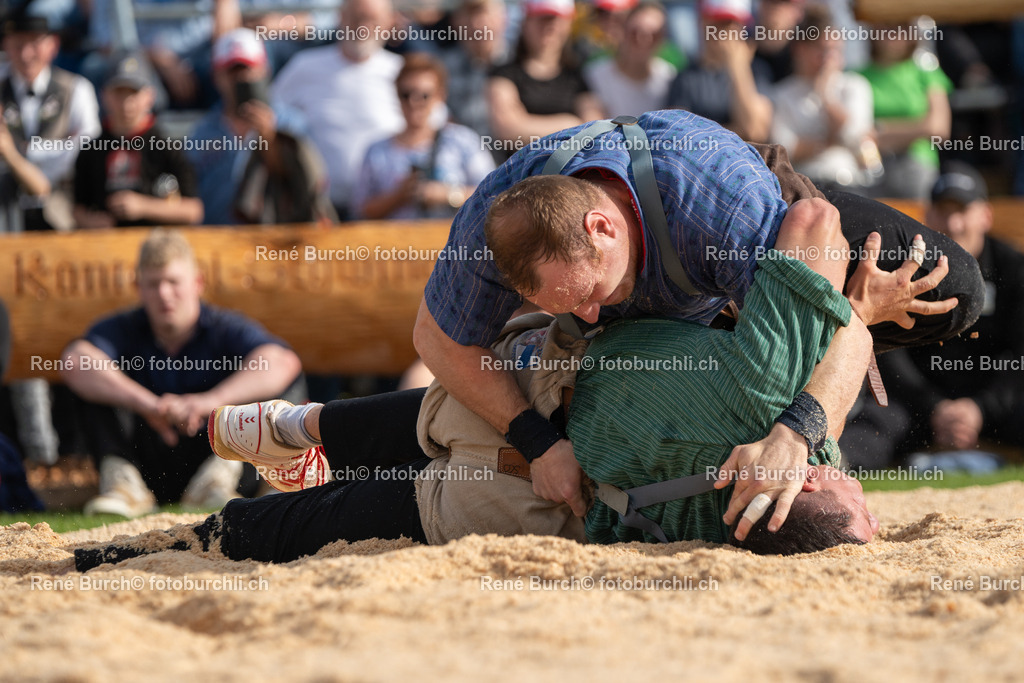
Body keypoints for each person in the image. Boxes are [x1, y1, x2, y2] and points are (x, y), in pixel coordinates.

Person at [74, 212, 896, 570]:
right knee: (344, 502)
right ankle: (197, 523)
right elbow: (842, 348)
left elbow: (812, 223)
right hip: (551, 481)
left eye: (858, 502)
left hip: (540, 434)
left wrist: (852, 312)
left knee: (388, 446)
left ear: (812, 479)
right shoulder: (738, 531)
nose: (874, 506)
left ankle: (276, 443)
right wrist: (841, 336)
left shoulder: (780, 388)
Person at [411, 108, 983, 540]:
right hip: (641, 351)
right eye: (564, 305)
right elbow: (436, 340)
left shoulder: (719, 205)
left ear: (602, 230)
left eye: (589, 294)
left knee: (955, 292)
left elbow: (816, 233)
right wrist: (538, 445)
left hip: (741, 242)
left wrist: (799, 428)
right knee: (767, 400)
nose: (586, 316)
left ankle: (755, 356)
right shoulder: (494, 226)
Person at [60, 229, 303, 517]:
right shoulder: (122, 328)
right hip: (147, 458)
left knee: (271, 387)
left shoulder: (224, 327)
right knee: (93, 384)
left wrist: (207, 402)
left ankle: (217, 483)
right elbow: (74, 361)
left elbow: (283, 362)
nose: (164, 294)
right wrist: (149, 406)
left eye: (173, 282)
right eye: (153, 284)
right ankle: (124, 487)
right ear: (138, 287)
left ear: (197, 283)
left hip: (220, 455)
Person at [841, 163, 1024, 467]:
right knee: (872, 427)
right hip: (920, 406)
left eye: (962, 210)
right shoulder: (906, 267)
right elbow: (888, 350)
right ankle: (826, 473)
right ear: (927, 216)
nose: (952, 224)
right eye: (942, 211)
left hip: (998, 405)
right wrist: (934, 408)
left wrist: (980, 410)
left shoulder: (1015, 269)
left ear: (985, 216)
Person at [269, 0, 405, 220]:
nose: (363, 27)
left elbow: (430, 130)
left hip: (387, 212)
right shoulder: (305, 66)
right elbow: (269, 115)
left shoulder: (401, 72)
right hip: (321, 212)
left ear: (389, 23)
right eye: (357, 17)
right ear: (340, 17)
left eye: (372, 20)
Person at [189, 28, 334, 225]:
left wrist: (272, 140)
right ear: (217, 77)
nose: (241, 79)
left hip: (280, 243)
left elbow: (312, 185)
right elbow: (190, 196)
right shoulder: (203, 132)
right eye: (232, 71)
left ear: (264, 71)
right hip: (217, 241)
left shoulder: (291, 124)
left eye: (248, 69)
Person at [352, 53, 495, 220]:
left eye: (424, 95)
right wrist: (398, 197)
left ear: (440, 96)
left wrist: (447, 195)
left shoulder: (462, 141)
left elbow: (493, 195)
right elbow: (359, 212)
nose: (414, 102)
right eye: (406, 94)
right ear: (397, 95)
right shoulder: (376, 150)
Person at [73, 52, 203, 229]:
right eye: (119, 93)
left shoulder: (166, 146)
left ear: (150, 96)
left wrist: (143, 207)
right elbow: (78, 208)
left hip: (158, 245)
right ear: (104, 96)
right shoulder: (92, 149)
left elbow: (193, 210)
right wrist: (93, 222)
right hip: (106, 249)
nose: (127, 103)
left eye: (133, 93)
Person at [0, 4, 100, 232]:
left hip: (61, 208)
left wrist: (27, 152)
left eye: (34, 44)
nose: (26, 54)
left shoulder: (77, 89)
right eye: (18, 45)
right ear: (6, 45)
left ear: (52, 46)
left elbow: (87, 148)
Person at [769, 6, 877, 193]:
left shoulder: (855, 86)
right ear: (800, 50)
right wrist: (832, 141)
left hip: (851, 184)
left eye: (836, 50)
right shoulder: (781, 94)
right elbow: (785, 150)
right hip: (804, 187)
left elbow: (855, 135)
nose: (830, 58)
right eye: (823, 50)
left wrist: (826, 95)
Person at [487, 0, 604, 159]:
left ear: (568, 25)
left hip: (569, 175)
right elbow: (509, 131)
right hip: (520, 175)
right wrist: (570, 124)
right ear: (526, 22)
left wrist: (529, 124)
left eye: (557, 20)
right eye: (542, 18)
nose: (550, 27)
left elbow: (595, 127)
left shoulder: (578, 76)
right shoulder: (503, 73)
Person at [858, 25, 952, 199]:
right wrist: (916, 129)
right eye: (886, 25)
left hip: (917, 165)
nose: (892, 33)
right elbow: (855, 132)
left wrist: (881, 131)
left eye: (902, 27)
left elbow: (938, 128)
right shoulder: (856, 75)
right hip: (870, 167)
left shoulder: (926, 72)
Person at [665, 0, 773, 143]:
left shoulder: (758, 71)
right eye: (718, 23)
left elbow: (754, 131)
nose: (725, 32)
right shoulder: (685, 78)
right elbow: (678, 137)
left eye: (732, 24)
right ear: (702, 22)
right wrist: (735, 130)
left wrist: (737, 66)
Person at [583, 2, 677, 117]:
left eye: (654, 35)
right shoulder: (593, 76)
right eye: (635, 33)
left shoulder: (669, 78)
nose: (643, 40)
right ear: (623, 30)